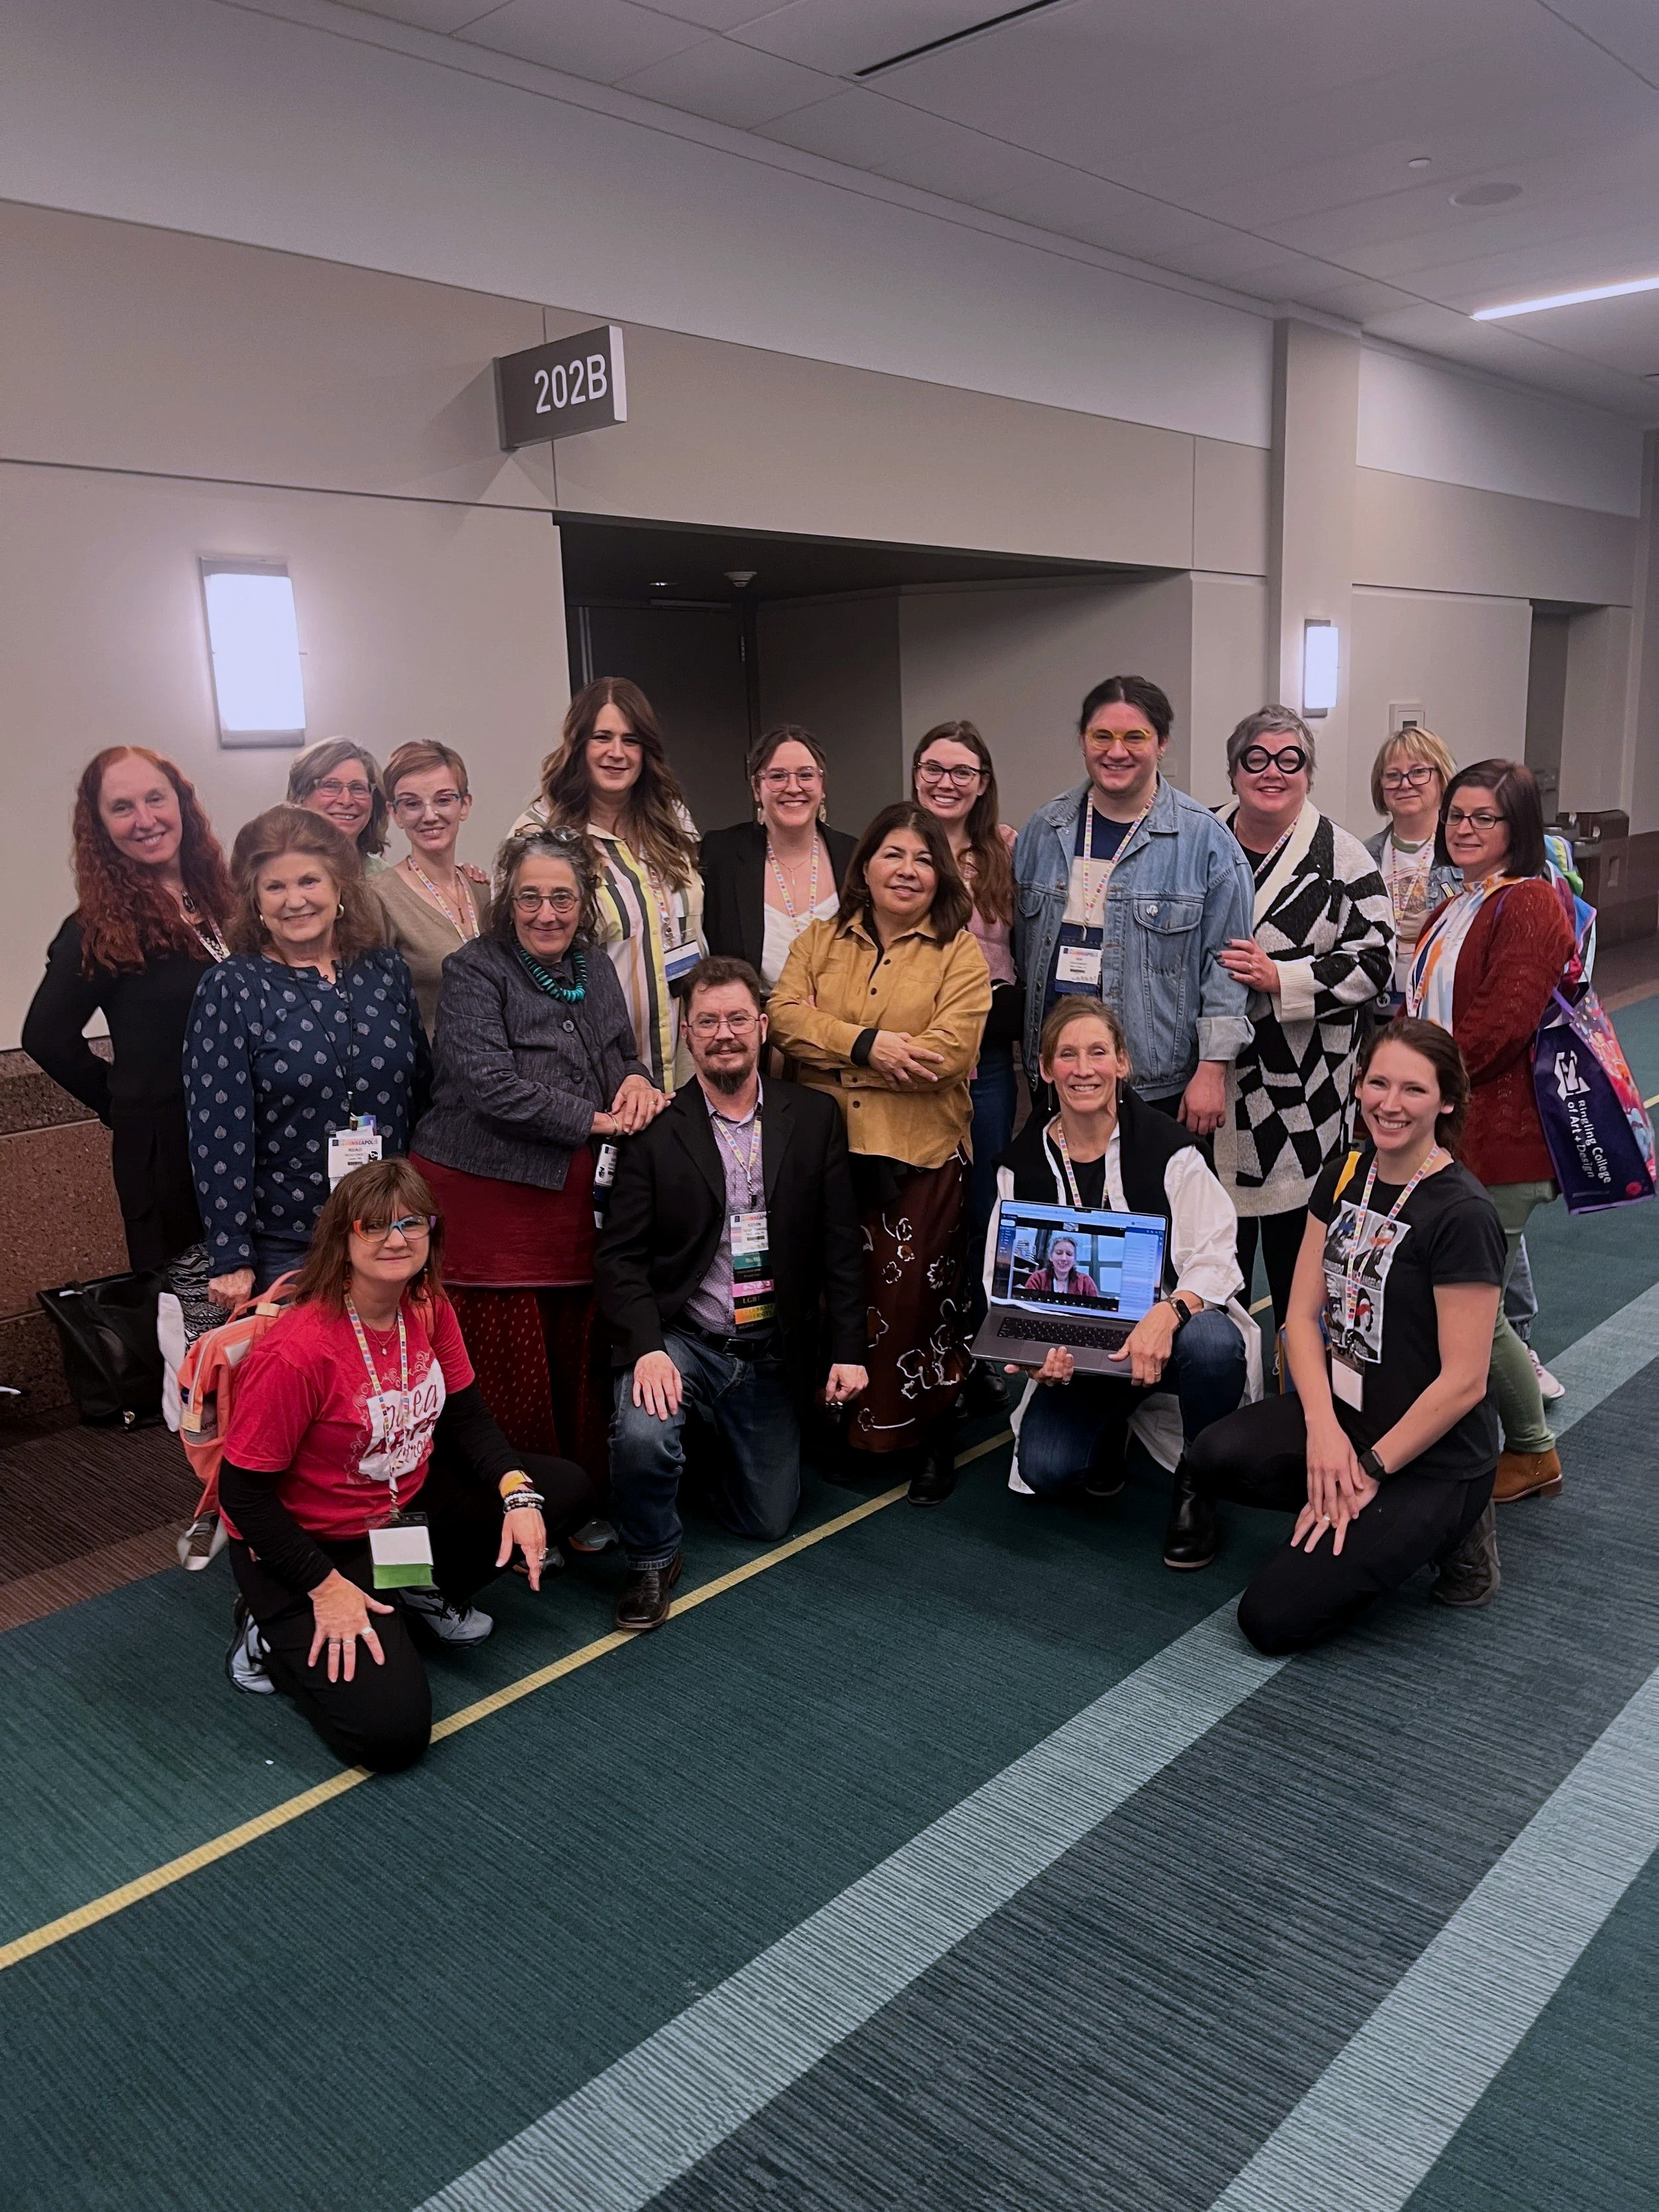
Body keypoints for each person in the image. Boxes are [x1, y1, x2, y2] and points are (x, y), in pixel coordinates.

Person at [218, 1158, 595, 1770]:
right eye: (375, 1225)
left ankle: (413, 1587)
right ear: (342, 1237)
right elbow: (243, 1496)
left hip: (400, 1508)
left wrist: (518, 1494)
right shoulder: (298, 1351)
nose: (396, 1239)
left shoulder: (427, 1306)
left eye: (412, 1223)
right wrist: (324, 1586)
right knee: (391, 1735)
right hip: (307, 1544)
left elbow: (467, 1417)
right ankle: (268, 1630)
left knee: (561, 1490)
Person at [1185, 1019, 1507, 1651]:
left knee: (1270, 1619)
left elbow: (1465, 1382)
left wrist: (1367, 1470)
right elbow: (1300, 1317)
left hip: (1431, 1454)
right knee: (1212, 1456)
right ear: (1358, 1086)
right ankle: (1353, 1511)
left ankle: (1458, 1528)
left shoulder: (1462, 1214)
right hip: (1348, 1419)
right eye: (1378, 1083)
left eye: (1414, 1089)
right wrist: (1326, 1434)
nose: (1390, 1103)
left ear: (1446, 1101)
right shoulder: (1343, 1174)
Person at [596, 957, 867, 1631]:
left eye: (738, 1019)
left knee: (767, 1520)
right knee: (642, 1431)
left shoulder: (816, 1117)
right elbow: (619, 1258)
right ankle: (651, 1557)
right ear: (688, 1033)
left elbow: (840, 1244)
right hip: (684, 1339)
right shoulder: (656, 1129)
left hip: (770, 1349)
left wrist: (848, 1350)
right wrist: (647, 1349)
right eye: (709, 1021)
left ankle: (705, 1452)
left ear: (763, 1027)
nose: (725, 1033)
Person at [409, 827, 664, 1479]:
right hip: (487, 1197)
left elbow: (620, 1052)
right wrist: (596, 1119)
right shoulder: (474, 969)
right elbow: (488, 1085)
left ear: (583, 901)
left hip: (572, 1203)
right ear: (507, 901)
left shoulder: (593, 965)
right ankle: (514, 1494)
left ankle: (580, 1489)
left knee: (575, 1352)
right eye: (530, 897)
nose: (546, 913)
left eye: (562, 897)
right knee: (509, 1368)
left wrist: (637, 1080)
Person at [768, 804, 992, 1503]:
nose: (907, 870)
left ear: (941, 875)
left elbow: (946, 1056)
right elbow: (782, 1020)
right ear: (863, 866)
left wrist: (832, 1055)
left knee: (918, 1305)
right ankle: (844, 1425)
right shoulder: (819, 939)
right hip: (827, 1157)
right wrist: (869, 1047)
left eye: (924, 859)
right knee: (838, 1300)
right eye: (893, 854)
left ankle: (930, 1437)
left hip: (919, 1157)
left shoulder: (960, 953)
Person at [994, 999, 1252, 1564]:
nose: (1083, 1069)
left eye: (1097, 1052)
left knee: (1215, 1343)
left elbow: (1217, 1257)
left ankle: (1197, 1481)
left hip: (1169, 1334)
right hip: (1079, 1348)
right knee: (1045, 1469)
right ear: (1046, 1069)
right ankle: (1110, 1427)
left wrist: (1170, 1312)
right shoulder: (1021, 1165)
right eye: (1067, 1055)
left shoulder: (1170, 1150)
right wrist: (1036, 1355)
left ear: (1123, 1063)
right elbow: (1008, 1281)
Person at [1407, 759, 1575, 1503]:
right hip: (1449, 1131)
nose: (1464, 828)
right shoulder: (1460, 903)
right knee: (1452, 1301)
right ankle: (1464, 1437)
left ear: (1518, 827)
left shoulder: (1530, 902)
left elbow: (1502, 1026)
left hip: (1499, 1141)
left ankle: (1533, 1451)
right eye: (1456, 815)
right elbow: (1424, 1008)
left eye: (1484, 817)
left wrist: (1415, 1087)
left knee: (1479, 1314)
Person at [186, 805, 428, 1305]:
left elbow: (422, 1095)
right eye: (275, 887)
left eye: (309, 881)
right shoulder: (232, 987)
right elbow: (218, 1130)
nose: (294, 900)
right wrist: (231, 1255)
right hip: (289, 1242)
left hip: (391, 1231)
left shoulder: (385, 971)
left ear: (340, 888)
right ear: (255, 901)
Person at [1214, 708, 1394, 1333]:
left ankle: (1300, 1383)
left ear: (1308, 773)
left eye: (1289, 759)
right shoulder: (1202, 838)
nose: (1273, 772)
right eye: (1256, 758)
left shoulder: (1342, 856)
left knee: (1302, 1279)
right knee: (1215, 1273)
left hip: (1305, 1096)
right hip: (1207, 1089)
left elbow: (1376, 961)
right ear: (1233, 770)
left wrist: (1284, 978)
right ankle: (1225, 1381)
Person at [25, 747, 234, 1283]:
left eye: (155, 799)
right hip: (169, 1162)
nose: (145, 819)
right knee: (196, 1312)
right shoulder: (96, 927)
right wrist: (123, 1102)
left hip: (241, 1139)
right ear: (100, 825)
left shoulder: (219, 900)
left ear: (181, 803)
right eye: (122, 807)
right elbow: (46, 1037)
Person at [1014, 675, 1253, 1134]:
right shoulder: (1044, 830)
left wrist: (1212, 1070)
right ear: (1082, 741)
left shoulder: (1206, 842)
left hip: (1156, 1084)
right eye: (1102, 736)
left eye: (1135, 737)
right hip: (1058, 1076)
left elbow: (1227, 968)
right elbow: (1022, 949)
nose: (1116, 751)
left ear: (1162, 743)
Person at [513, 678, 703, 1091]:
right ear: (578, 744)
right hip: (597, 1066)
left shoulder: (672, 819)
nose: (617, 753)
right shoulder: (540, 833)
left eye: (630, 740)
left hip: (688, 1056)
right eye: (602, 737)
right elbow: (521, 962)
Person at [912, 719, 1023, 1410]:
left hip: (986, 1061)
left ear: (983, 784)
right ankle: (928, 1348)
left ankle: (983, 1346)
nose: (946, 782)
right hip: (913, 1061)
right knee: (926, 1209)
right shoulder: (898, 848)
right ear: (916, 773)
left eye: (963, 772)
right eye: (934, 768)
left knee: (986, 1205)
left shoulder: (1006, 851)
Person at [698, 725, 855, 991]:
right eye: (777, 776)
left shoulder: (856, 856)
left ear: (822, 786)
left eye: (806, 775)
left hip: (842, 1014)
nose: (793, 788)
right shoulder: (720, 856)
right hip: (753, 1015)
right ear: (756, 788)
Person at [372, 740, 492, 1037]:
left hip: (495, 1058)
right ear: (395, 813)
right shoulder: (379, 897)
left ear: (465, 805)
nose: (429, 816)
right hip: (427, 1063)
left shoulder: (481, 891)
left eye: (443, 800)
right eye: (412, 804)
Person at [1365, 726, 1461, 1009]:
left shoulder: (1465, 855)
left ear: (1442, 779)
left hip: (1444, 1010)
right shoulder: (1361, 857)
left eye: (1419, 772)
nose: (1405, 784)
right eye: (1393, 776)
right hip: (1376, 1011)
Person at [287, 737, 390, 873]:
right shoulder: (275, 867)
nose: (346, 801)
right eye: (330, 786)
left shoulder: (385, 876)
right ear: (301, 796)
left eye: (358, 788)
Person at [1021, 1234, 1098, 1300]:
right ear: (1051, 1257)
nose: (1064, 1258)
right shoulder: (1037, 1278)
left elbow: (1095, 1308)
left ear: (1075, 1260)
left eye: (1069, 1254)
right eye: (1059, 1253)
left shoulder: (1086, 1282)